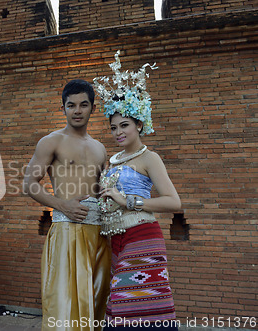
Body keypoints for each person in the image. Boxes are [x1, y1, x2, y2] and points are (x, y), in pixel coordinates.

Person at [94, 51, 180, 329]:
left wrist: (128, 200)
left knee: (132, 306)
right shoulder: (113, 159)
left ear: (139, 124)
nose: (118, 132)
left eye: (125, 126)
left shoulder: (149, 157)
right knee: (121, 306)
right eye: (113, 127)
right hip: (116, 240)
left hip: (142, 234)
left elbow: (173, 202)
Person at [23, 80, 111, 330]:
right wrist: (62, 205)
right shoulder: (51, 141)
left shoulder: (100, 148)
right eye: (71, 105)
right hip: (67, 231)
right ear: (63, 108)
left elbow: (103, 191)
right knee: (64, 306)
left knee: (96, 303)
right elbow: (29, 184)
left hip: (100, 235)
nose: (77, 110)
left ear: (93, 108)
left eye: (84, 105)